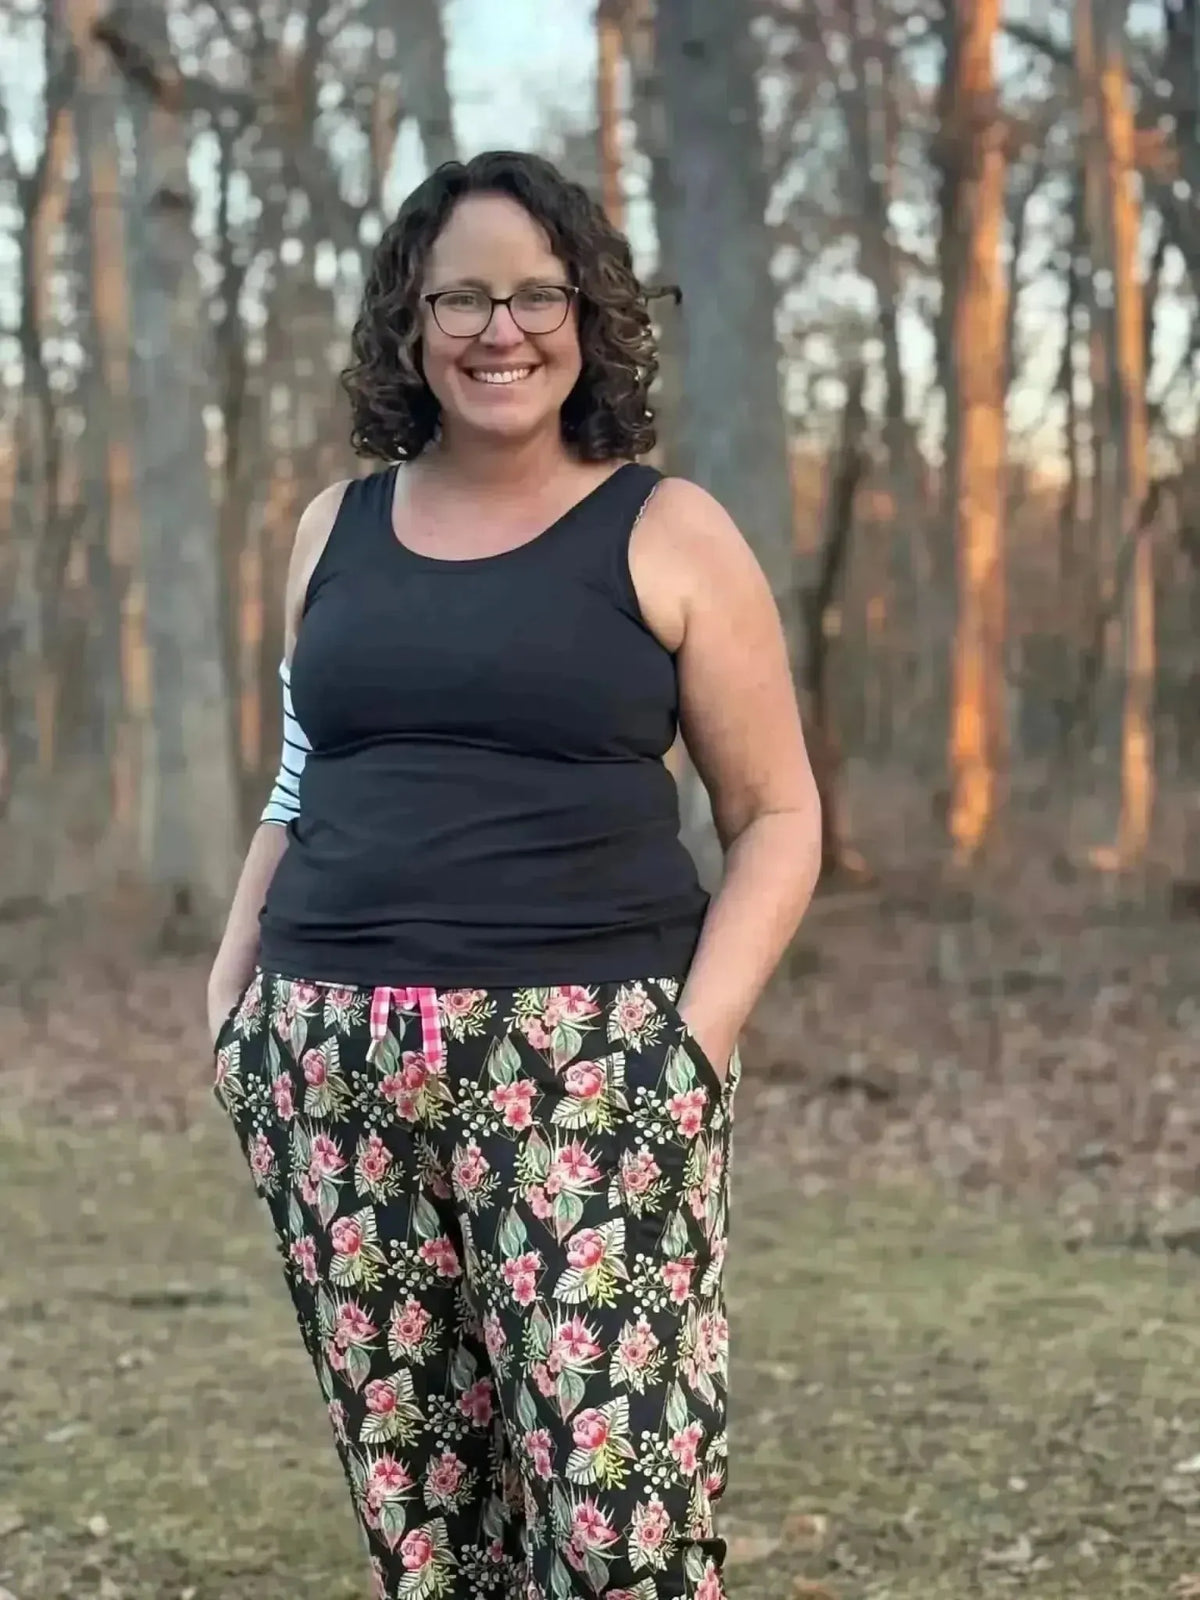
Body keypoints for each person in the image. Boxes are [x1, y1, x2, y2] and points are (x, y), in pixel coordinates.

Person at [207, 149, 820, 1600]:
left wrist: (691, 1046)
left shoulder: (667, 530)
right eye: (463, 296)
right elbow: (302, 779)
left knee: (619, 1523)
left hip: (590, 1068)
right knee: (428, 1526)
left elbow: (780, 814)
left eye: (535, 294)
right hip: (330, 1065)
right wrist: (232, 1004)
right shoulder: (331, 531)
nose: (501, 329)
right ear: (411, 326)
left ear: (588, 316)